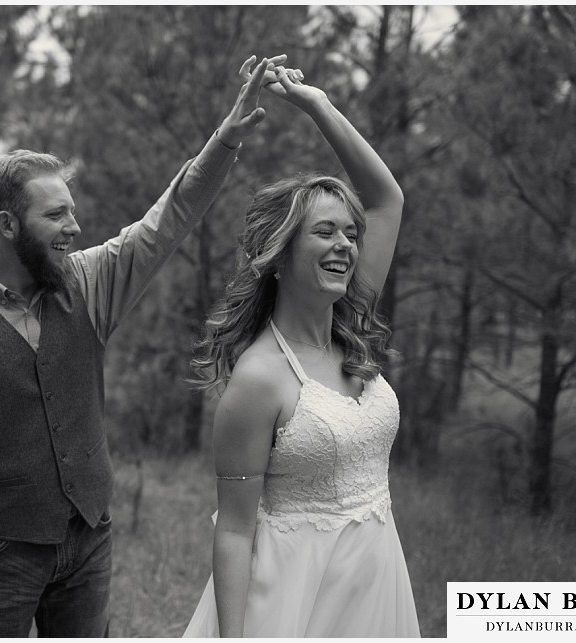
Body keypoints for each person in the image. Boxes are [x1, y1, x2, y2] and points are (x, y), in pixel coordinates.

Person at [0, 54, 286, 638]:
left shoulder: (87, 282)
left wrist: (226, 137)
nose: (75, 227)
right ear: (8, 225)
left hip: (90, 540)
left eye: (73, 212)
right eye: (56, 215)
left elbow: (166, 220)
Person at [183, 63, 420, 637]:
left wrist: (317, 105)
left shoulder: (350, 321)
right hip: (294, 598)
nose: (345, 245)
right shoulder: (260, 379)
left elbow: (387, 200)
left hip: (375, 584)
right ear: (280, 256)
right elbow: (235, 531)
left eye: (350, 234)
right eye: (324, 232)